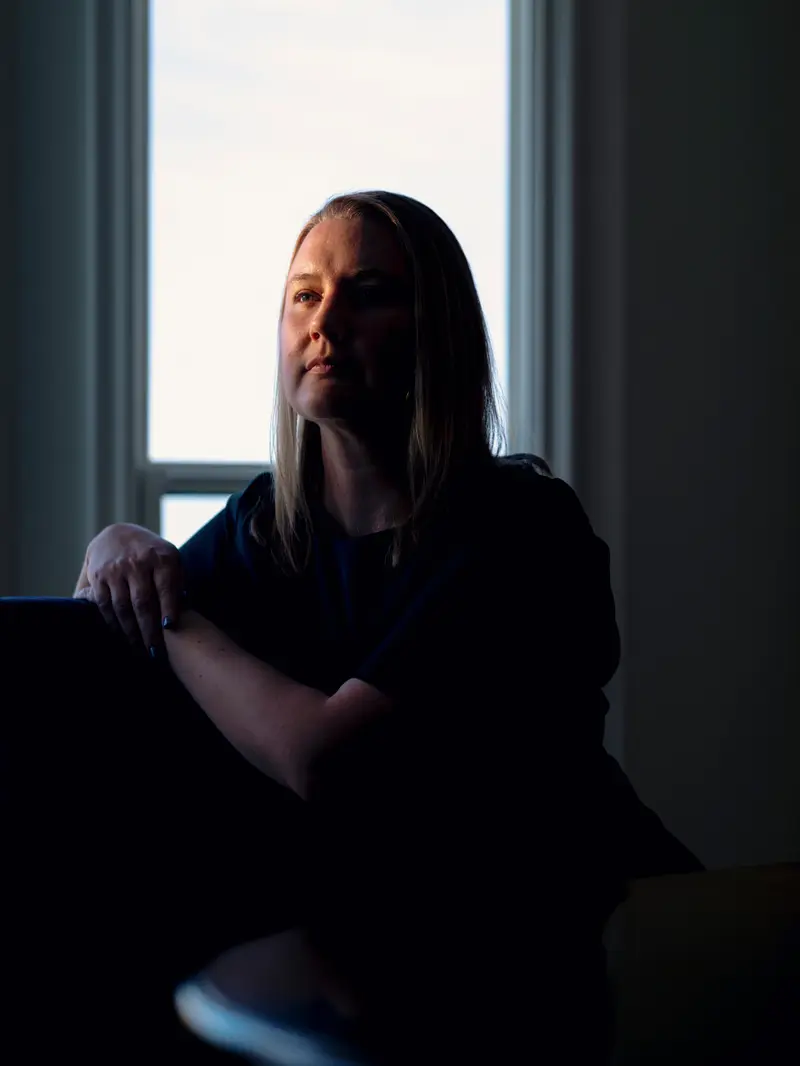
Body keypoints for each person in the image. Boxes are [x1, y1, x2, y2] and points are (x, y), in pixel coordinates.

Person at [6, 191, 700, 1063]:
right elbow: (116, 627)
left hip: (579, 948)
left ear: (433, 330)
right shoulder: (266, 529)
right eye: (304, 294)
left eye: (368, 291)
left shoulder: (522, 528)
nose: (324, 319)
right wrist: (118, 543)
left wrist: (174, 610)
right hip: (373, 966)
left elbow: (328, 761)